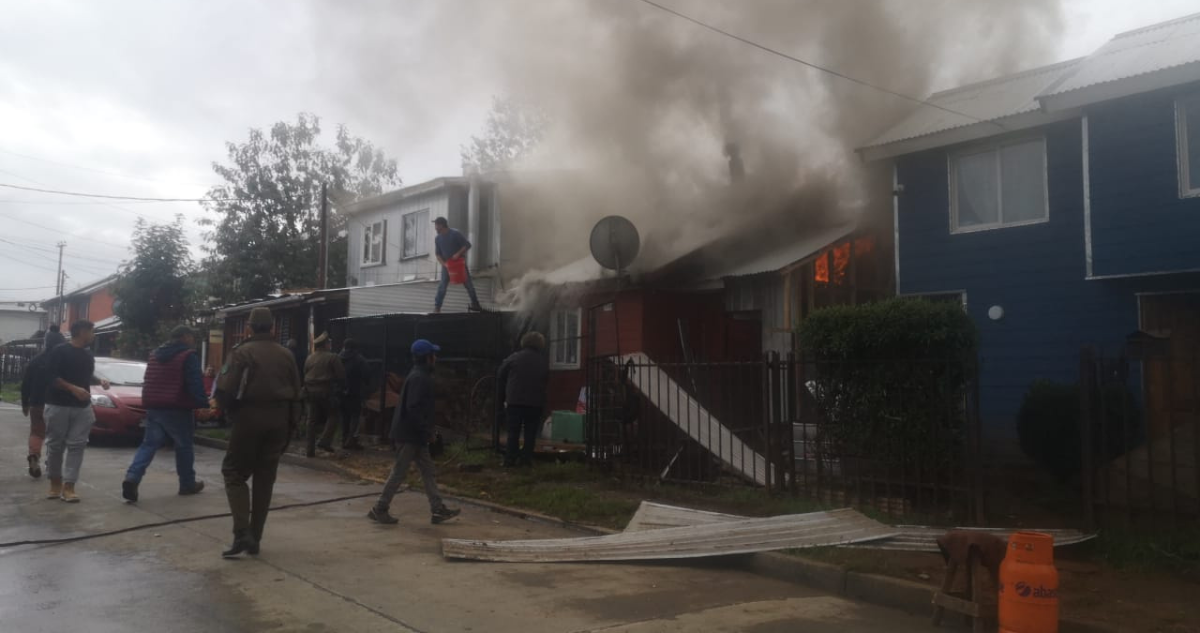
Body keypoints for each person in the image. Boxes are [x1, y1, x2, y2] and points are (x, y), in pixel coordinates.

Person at [214, 307, 302, 558]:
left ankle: (242, 533)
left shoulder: (241, 353)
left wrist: (230, 413)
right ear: (273, 327)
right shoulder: (287, 354)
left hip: (249, 417)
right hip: (280, 420)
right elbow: (297, 392)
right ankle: (256, 537)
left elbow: (225, 389)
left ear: (250, 328)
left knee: (233, 472)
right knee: (265, 478)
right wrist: (291, 425)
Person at [367, 339, 460, 525]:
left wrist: (425, 432)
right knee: (399, 473)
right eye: (433, 354)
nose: (436, 357)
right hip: (409, 435)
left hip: (414, 434)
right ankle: (380, 508)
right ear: (427, 358)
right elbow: (413, 408)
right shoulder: (419, 378)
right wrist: (427, 431)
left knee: (428, 471)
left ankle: (437, 509)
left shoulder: (419, 375)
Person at [121, 325, 209, 503]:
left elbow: (149, 379)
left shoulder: (155, 355)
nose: (193, 341)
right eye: (192, 337)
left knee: (148, 445)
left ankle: (132, 477)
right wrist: (203, 403)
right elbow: (194, 382)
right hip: (177, 408)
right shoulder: (188, 356)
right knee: (184, 446)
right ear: (184, 337)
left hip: (154, 406)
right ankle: (187, 484)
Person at [43, 319, 107, 502]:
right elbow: (51, 377)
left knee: (77, 445)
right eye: (91, 332)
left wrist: (99, 381)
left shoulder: (88, 354)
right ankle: (55, 482)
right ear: (81, 332)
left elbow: (86, 375)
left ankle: (69, 486)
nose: (93, 336)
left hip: (82, 407)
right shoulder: (59, 351)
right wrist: (73, 389)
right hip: (58, 405)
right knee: (55, 445)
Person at [497, 332, 549, 467]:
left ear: (524, 342)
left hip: (515, 401)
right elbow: (545, 379)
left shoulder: (515, 357)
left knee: (513, 432)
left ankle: (509, 460)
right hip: (535, 403)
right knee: (530, 433)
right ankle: (526, 460)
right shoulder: (543, 360)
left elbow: (501, 372)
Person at [19, 339, 65, 478]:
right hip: (57, 403)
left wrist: (25, 403)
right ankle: (51, 463)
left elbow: (26, 384)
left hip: (36, 402)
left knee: (36, 431)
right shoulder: (61, 363)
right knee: (55, 434)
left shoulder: (35, 361)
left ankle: (34, 455)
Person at [303, 332, 345, 457]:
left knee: (311, 421)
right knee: (334, 416)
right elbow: (341, 376)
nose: (330, 345)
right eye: (329, 343)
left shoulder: (310, 357)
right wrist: (341, 389)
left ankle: (309, 450)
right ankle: (324, 441)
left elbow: (304, 372)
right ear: (325, 345)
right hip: (326, 391)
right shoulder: (333, 357)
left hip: (310, 392)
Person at [433, 216, 483, 313]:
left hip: (459, 264)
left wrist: (458, 253)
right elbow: (438, 254)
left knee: (468, 284)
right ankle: (437, 307)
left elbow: (467, 245)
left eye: (436, 225)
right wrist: (445, 265)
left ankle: (476, 304)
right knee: (442, 286)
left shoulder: (455, 233)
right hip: (447, 265)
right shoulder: (438, 238)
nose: (435, 228)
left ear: (441, 225)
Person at [338, 338, 369, 450]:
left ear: (344, 346)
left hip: (341, 393)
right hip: (355, 393)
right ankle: (350, 440)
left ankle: (343, 440)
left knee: (344, 417)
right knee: (355, 417)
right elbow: (366, 376)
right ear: (356, 348)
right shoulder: (360, 359)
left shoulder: (338, 357)